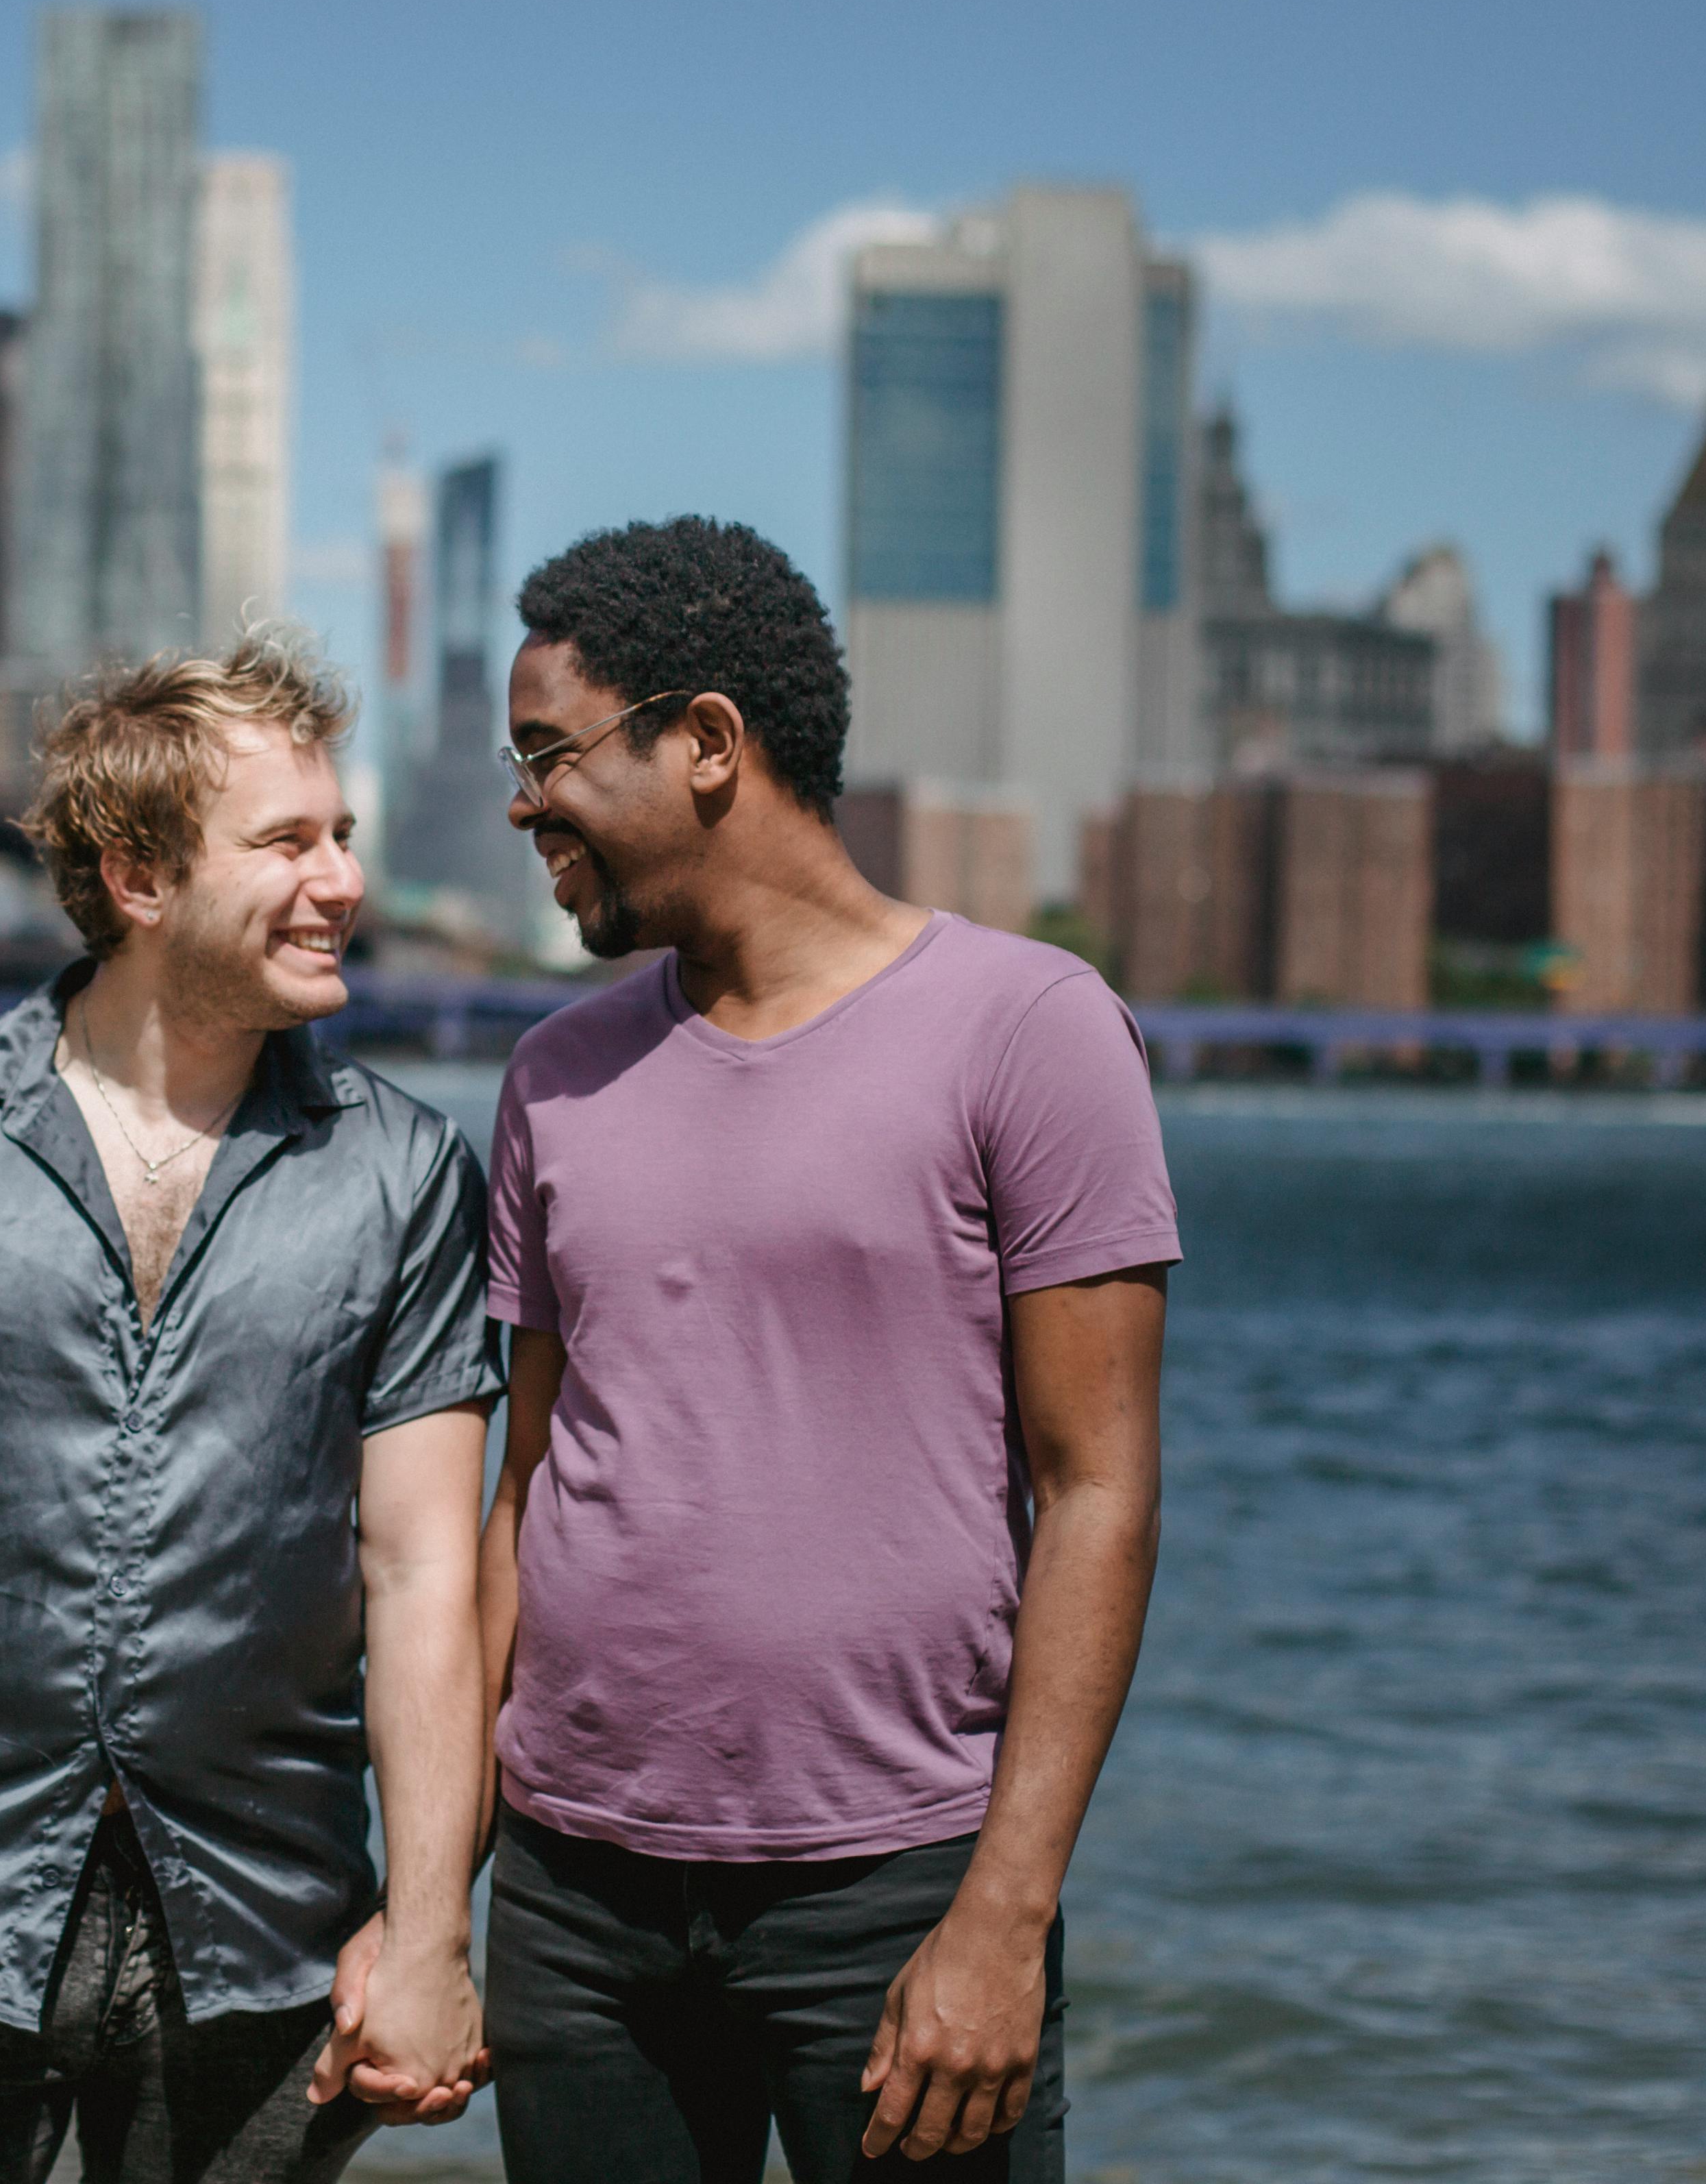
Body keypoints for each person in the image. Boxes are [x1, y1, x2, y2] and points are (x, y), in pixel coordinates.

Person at [0, 630, 500, 2183]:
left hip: (266, 1943)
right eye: (288, 843)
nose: (342, 881)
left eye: (344, 837)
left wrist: (428, 1928)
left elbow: (421, 1573)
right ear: (139, 879)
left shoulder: (406, 1178)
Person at [473, 519, 1178, 2183]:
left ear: (707, 742)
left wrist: (1004, 1917)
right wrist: (434, 1901)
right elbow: (520, 1501)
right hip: (576, 1906)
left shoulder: (1034, 1029)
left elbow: (1100, 1495)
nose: (522, 806)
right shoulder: (551, 1078)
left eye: (547, 756)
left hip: (898, 1892)